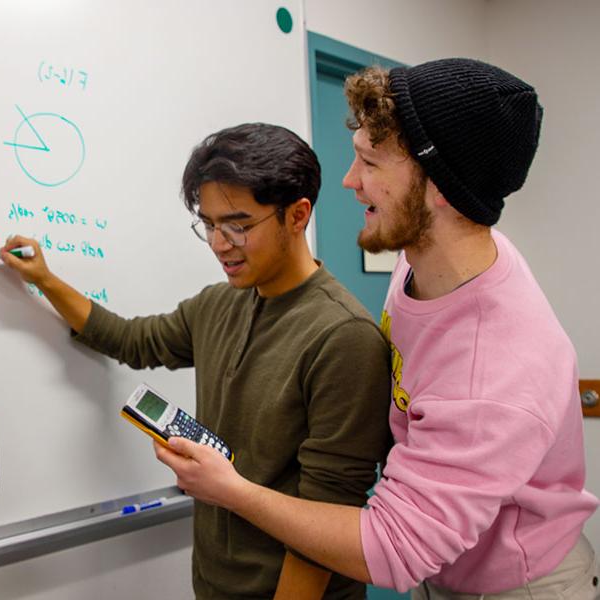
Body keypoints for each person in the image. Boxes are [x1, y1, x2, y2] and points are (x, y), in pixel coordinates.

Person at [154, 59, 600, 598]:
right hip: (449, 565)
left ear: (440, 186)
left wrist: (231, 490)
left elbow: (390, 548)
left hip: (519, 585)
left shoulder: (496, 366)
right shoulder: (422, 263)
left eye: (369, 161)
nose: (348, 180)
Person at [0, 122, 392, 599]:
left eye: (239, 226)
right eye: (208, 224)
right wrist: (46, 279)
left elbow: (329, 520)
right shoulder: (218, 304)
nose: (219, 243)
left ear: (297, 215)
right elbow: (130, 340)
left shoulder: (344, 336)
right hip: (214, 585)